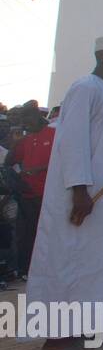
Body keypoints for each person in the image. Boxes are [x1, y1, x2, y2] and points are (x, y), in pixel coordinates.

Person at [24, 34, 103, 350]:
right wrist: (79, 190)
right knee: (69, 260)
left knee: (94, 261)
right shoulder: (84, 88)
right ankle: (58, 337)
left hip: (102, 194)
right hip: (82, 194)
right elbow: (73, 143)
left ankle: (91, 325)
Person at [4, 106, 55, 280]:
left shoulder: (54, 134)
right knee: (24, 234)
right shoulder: (26, 139)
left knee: (43, 234)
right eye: (23, 122)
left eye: (27, 120)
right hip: (26, 195)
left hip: (47, 195)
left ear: (37, 117)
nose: (25, 125)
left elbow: (63, 161)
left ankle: (43, 270)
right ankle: (24, 270)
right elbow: (9, 162)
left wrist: (41, 169)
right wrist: (16, 143)